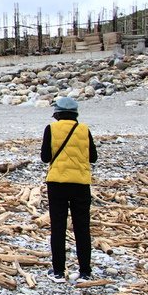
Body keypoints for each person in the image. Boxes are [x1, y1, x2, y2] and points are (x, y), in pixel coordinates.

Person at [40, 96, 97, 283]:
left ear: (57, 113)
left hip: (57, 183)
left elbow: (45, 157)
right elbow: (93, 157)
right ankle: (85, 272)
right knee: (82, 227)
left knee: (58, 227)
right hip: (81, 183)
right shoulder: (84, 129)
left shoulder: (51, 129)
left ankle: (58, 271)